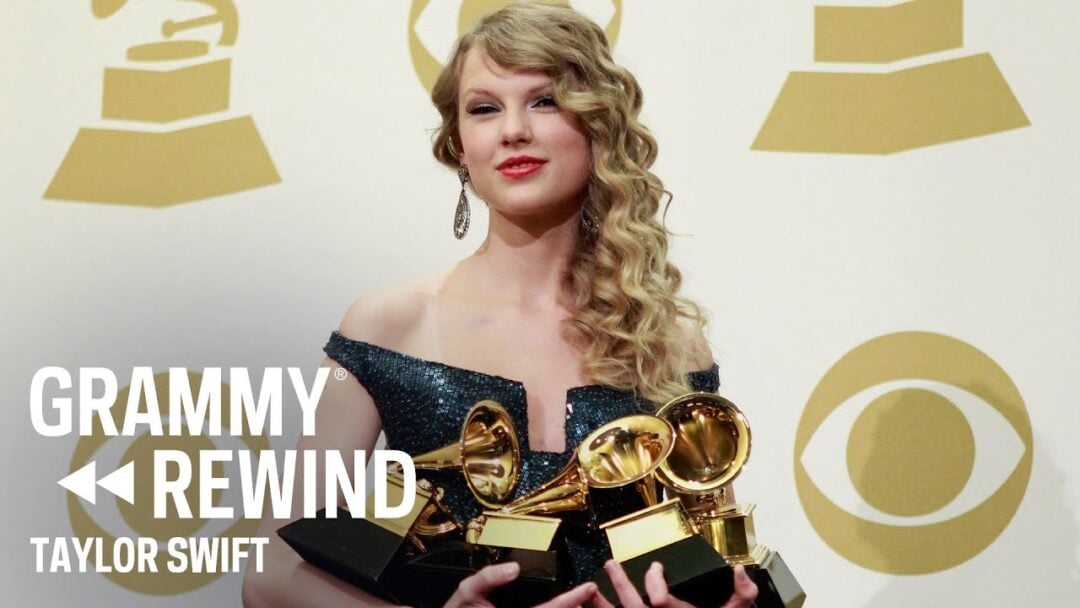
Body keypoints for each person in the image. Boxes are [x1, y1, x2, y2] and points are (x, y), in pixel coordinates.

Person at [243, 3, 758, 607]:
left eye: (543, 101)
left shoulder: (666, 344)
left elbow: (717, 560)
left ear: (598, 127)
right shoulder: (390, 325)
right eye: (485, 109)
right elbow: (272, 572)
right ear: (459, 147)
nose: (513, 129)